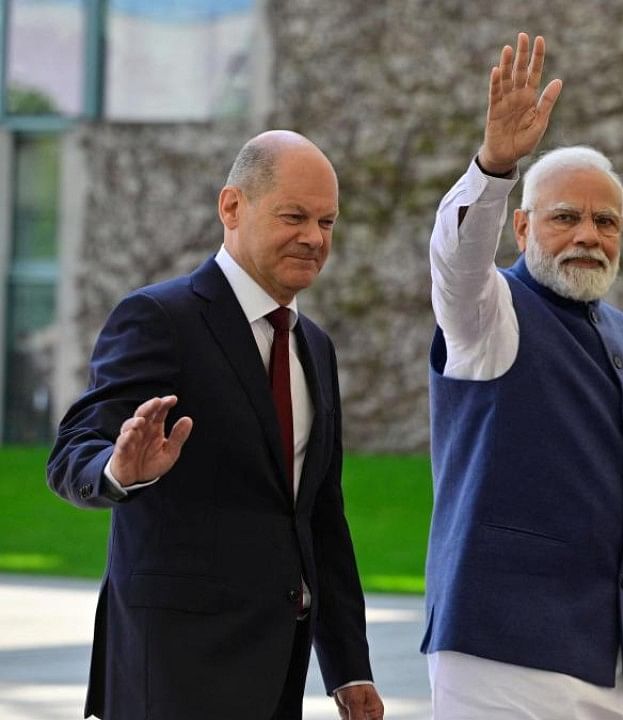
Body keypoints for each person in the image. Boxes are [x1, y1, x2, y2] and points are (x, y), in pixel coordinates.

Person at [424, 33, 623, 720]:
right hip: (496, 657)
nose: (588, 234)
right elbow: (455, 261)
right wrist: (495, 164)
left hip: (614, 662)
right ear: (522, 226)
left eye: (605, 221)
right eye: (565, 218)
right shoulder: (487, 314)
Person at [47, 131, 384, 720]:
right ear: (232, 207)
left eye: (327, 222)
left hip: (278, 672)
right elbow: (74, 451)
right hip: (173, 674)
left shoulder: (315, 347)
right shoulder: (159, 318)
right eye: (294, 216)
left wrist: (350, 667)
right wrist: (119, 469)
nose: (314, 237)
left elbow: (318, 515)